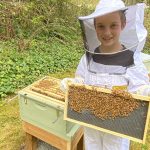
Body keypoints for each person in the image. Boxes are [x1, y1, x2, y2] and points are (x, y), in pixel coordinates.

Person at [61, 0, 150, 150]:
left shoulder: (132, 59)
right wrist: (71, 84)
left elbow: (139, 88)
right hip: (91, 123)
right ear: (94, 28)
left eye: (113, 25)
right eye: (101, 26)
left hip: (118, 128)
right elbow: (81, 81)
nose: (107, 32)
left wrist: (146, 90)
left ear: (123, 24)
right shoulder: (87, 58)